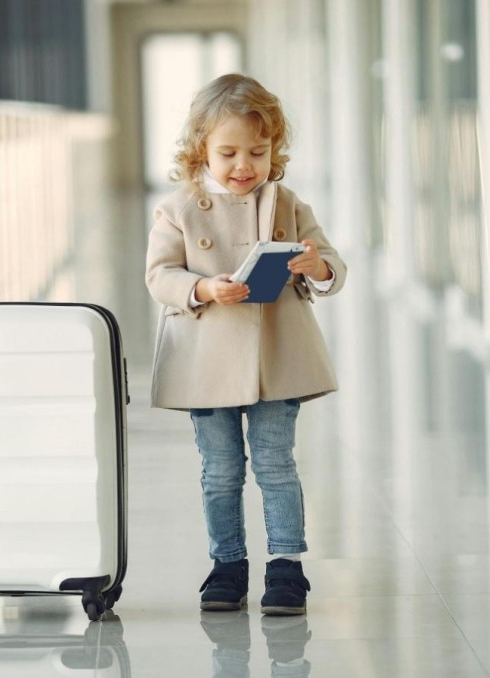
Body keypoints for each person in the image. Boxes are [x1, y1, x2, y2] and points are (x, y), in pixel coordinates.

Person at [145, 74, 346, 616]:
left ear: (273, 151)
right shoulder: (178, 208)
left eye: (257, 152)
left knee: (276, 463)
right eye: (228, 152)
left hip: (275, 356)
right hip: (206, 359)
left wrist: (316, 265)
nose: (243, 166)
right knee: (221, 469)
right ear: (199, 151)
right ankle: (227, 564)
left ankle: (286, 567)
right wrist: (203, 287)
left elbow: (331, 263)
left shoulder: (286, 202)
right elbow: (159, 275)